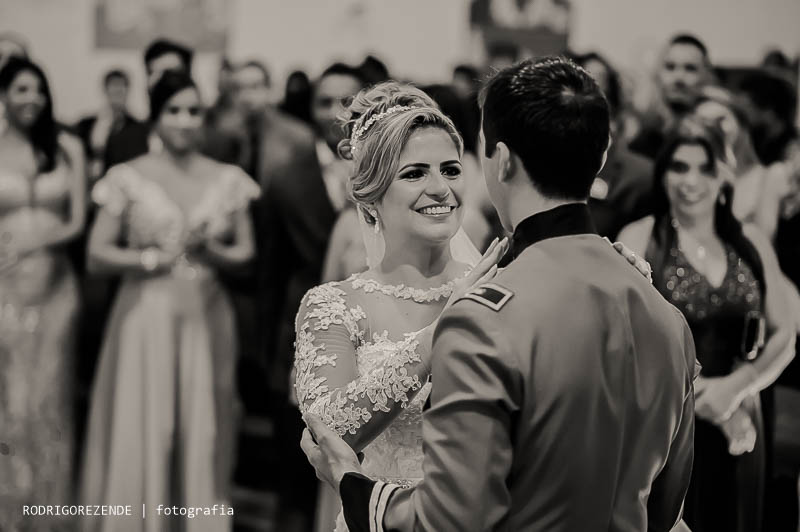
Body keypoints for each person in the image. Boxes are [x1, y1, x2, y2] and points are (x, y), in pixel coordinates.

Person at [300, 58, 696, 532]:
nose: (439, 188)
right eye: (413, 173)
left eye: (451, 168)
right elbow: (664, 504)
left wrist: (358, 490)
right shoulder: (662, 313)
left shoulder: (493, 302)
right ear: (370, 192)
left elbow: (455, 513)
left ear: (500, 161)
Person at [79, 70, 258, 531]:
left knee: (205, 425)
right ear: (155, 118)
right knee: (149, 424)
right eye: (173, 110)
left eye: (193, 111)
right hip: (146, 315)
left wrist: (211, 251)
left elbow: (246, 253)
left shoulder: (228, 178)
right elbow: (97, 255)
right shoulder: (127, 177)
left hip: (207, 314)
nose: (184, 120)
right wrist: (150, 258)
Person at [619, 117, 796, 532]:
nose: (691, 181)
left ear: (724, 173)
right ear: (663, 175)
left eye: (705, 167)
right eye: (679, 167)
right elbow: (627, 345)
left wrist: (735, 391)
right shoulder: (641, 237)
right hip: (668, 415)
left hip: (746, 406)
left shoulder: (749, 240)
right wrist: (703, 400)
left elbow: (786, 334)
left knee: (739, 514)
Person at [0, 57, 86, 529]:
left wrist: (37, 240)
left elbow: (76, 221)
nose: (31, 98)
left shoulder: (66, 146)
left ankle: (51, 510)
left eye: (38, 89)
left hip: (56, 290)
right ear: (4, 96)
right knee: (11, 400)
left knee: (50, 398)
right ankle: (11, 508)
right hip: (5, 291)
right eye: (20, 90)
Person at [630, 34, 714, 160]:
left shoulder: (720, 135)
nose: (678, 77)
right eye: (670, 67)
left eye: (690, 68)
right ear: (659, 74)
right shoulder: (642, 141)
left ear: (707, 75)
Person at [74, 69, 150, 181]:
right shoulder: (86, 125)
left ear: (128, 90)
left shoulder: (139, 128)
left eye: (122, 86)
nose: (118, 90)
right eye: (113, 86)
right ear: (105, 90)